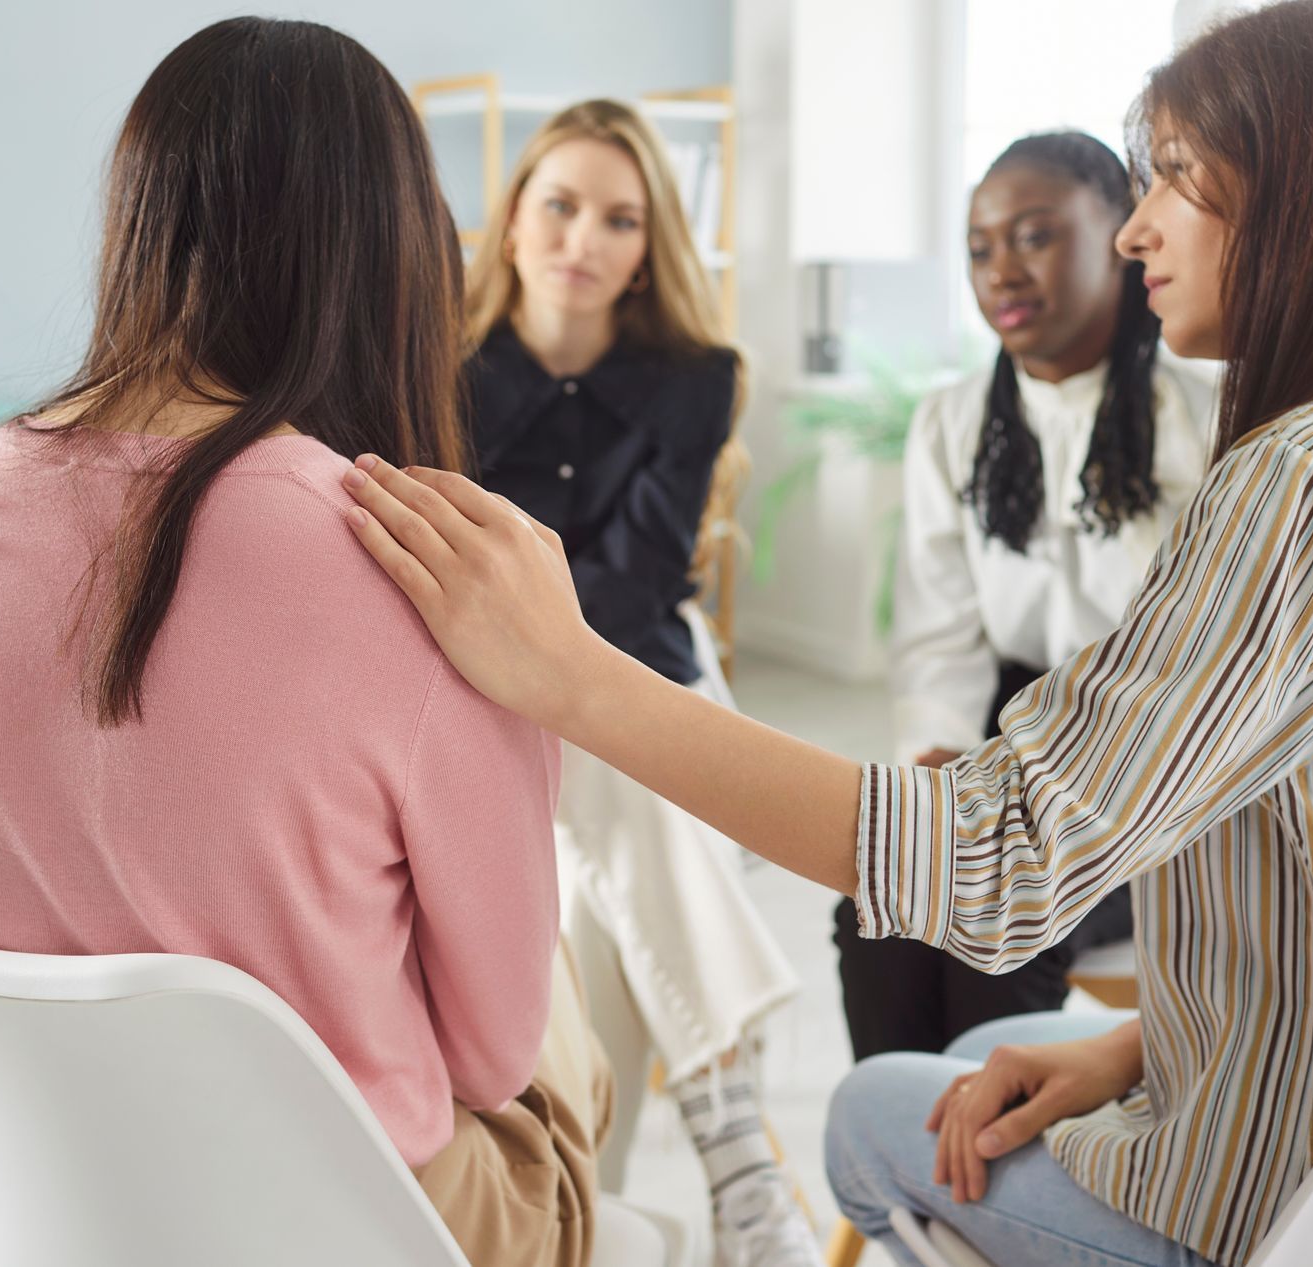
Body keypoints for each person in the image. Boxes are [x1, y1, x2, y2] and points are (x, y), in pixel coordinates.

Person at [336, 2, 1313, 1263]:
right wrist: (1143, 1043)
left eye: (1172, 178)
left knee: (872, 1110)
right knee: (969, 1055)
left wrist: (571, 678)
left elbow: (998, 863)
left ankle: (737, 1159)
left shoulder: (1310, 480)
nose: (1136, 230)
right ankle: (734, 1136)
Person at [0, 20, 608, 1267]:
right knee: (557, 993)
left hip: (46, 1209)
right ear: (392, 252)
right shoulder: (423, 572)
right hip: (359, 1226)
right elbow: (490, 1056)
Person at [462, 99, 811, 1263]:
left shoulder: (695, 377)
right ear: (513, 221)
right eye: (559, 204)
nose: (584, 239)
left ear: (648, 244)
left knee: (614, 851)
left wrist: (539, 652)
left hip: (637, 678)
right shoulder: (432, 363)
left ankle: (582, 1214)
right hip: (472, 702)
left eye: (619, 219)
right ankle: (740, 1161)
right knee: (634, 822)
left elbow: (634, 584)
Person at [834, 130, 1215, 1061]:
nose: (1002, 269)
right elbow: (940, 629)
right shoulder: (953, 421)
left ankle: (986, 1176)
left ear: (1124, 237)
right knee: (879, 907)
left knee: (999, 927)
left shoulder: (1208, 418)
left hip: (1160, 772)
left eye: (1035, 236)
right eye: (979, 246)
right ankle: (910, 1164)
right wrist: (938, 778)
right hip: (1007, 733)